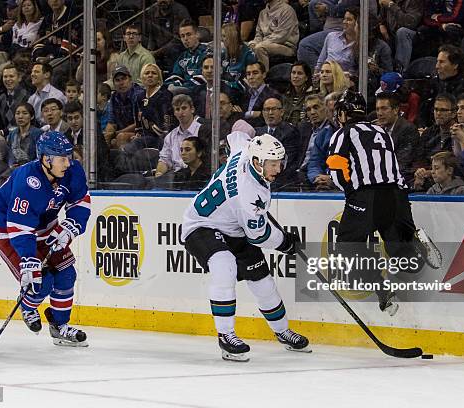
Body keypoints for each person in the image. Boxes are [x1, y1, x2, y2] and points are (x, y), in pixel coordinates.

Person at [182, 131, 310, 362]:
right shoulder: (249, 197)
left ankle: (282, 331)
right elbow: (259, 237)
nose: (278, 169)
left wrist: (253, 137)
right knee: (225, 266)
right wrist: (286, 243)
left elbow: (236, 134)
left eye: (279, 163)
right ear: (257, 162)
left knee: (263, 282)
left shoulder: (244, 150)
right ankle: (226, 335)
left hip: (233, 227)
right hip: (200, 225)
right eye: (272, 164)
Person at [326, 90, 440, 316]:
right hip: (397, 195)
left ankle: (383, 291)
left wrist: (351, 193)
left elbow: (337, 167)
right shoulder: (382, 131)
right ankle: (416, 239)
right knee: (399, 249)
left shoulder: (343, 133)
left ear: (344, 113)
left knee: (347, 247)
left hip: (368, 196)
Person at [0, 131, 91, 346]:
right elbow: (19, 226)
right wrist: (28, 258)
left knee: (67, 274)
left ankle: (59, 327)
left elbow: (81, 201)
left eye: (69, 157)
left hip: (45, 224)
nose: (68, 163)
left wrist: (71, 226)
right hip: (7, 228)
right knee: (40, 281)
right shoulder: (27, 181)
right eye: (62, 158)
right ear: (46, 159)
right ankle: (27, 305)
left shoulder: (72, 171)